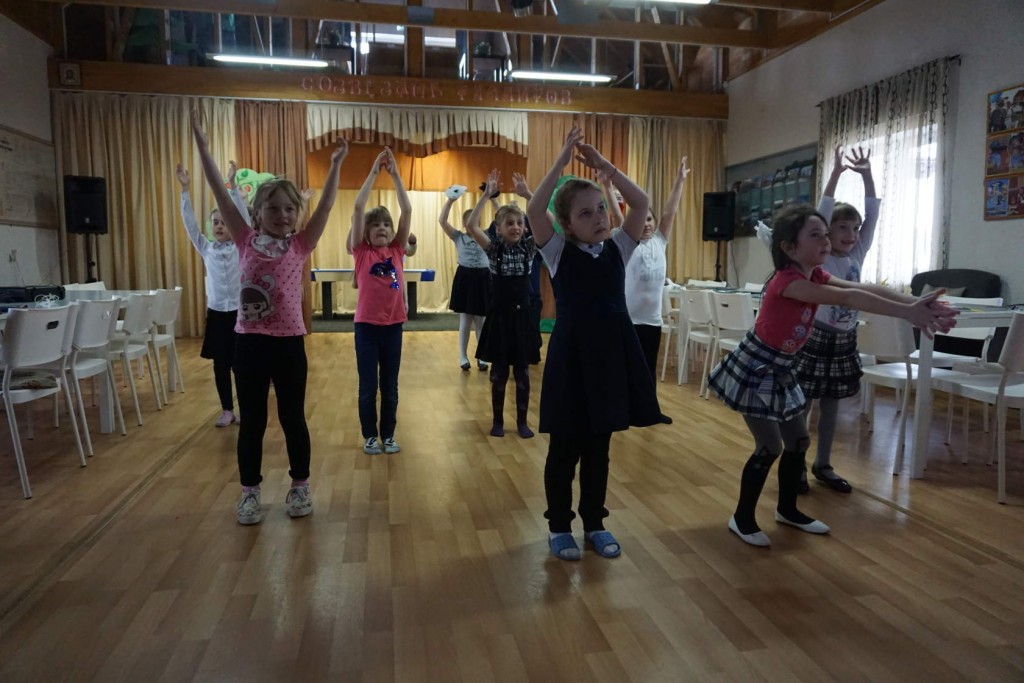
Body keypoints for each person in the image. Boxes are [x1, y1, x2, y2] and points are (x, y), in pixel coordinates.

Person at [709, 204, 957, 547]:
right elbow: (851, 297)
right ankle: (742, 518)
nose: (826, 241)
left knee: (798, 441)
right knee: (769, 446)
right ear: (789, 247)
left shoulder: (815, 275)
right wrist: (907, 313)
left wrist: (914, 302)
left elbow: (865, 288)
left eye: (826, 234)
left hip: (782, 368)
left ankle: (787, 510)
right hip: (757, 367)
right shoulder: (789, 282)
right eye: (816, 235)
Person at [190, 109, 348, 525]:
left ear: (297, 213)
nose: (282, 215)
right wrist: (203, 147)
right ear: (256, 213)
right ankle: (249, 492)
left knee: (293, 418)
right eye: (273, 208)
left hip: (289, 344)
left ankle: (300, 485)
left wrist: (335, 166)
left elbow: (327, 205)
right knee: (253, 422)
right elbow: (218, 190)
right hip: (250, 343)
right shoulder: (244, 240)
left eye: (289, 209)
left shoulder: (301, 244)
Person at [527, 126, 662, 561]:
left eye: (601, 208)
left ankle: (595, 523)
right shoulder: (557, 252)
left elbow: (641, 202)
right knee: (564, 450)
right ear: (567, 225)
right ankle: (559, 526)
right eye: (586, 214)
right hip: (571, 362)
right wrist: (560, 161)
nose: (600, 217)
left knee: (599, 450)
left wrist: (606, 168)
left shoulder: (619, 248)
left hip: (607, 363)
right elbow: (534, 209)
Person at [793, 146, 880, 494]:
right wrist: (835, 175)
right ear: (827, 232)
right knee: (803, 405)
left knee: (832, 407)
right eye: (842, 227)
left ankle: (823, 464)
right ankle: (796, 465)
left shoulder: (858, 252)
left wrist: (867, 175)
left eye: (855, 228)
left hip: (844, 340)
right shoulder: (822, 256)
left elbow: (873, 214)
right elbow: (822, 211)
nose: (851, 234)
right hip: (815, 337)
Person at [610, 156, 689, 424]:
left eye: (649, 219)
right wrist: (607, 188)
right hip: (629, 319)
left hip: (652, 320)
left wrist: (679, 181)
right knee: (626, 368)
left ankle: (650, 411)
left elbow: (670, 213)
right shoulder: (627, 243)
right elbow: (619, 215)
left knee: (648, 368)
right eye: (641, 220)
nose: (645, 224)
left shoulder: (660, 241)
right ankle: (623, 411)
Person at [348, 148, 413, 456]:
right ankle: (370, 436)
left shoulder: (398, 249)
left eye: (386, 225)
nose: (382, 229)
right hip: (366, 328)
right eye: (376, 226)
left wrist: (397, 176)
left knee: (390, 386)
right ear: (366, 232)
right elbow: (358, 207)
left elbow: (407, 210)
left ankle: (388, 435)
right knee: (367, 387)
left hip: (393, 327)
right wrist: (374, 172)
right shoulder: (361, 252)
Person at [466, 171, 540, 439]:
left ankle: (522, 422)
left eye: (519, 223)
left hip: (522, 318)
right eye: (509, 223)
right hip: (500, 318)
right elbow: (472, 227)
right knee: (499, 373)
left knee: (522, 373)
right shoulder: (494, 249)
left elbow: (549, 224)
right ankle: (498, 420)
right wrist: (486, 196)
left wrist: (529, 195)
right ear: (498, 229)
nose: (516, 227)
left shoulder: (529, 248)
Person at [176, 160, 246, 428]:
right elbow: (190, 225)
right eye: (215, 223)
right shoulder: (207, 249)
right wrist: (185, 190)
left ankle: (244, 408)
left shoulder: (240, 246)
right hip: (217, 314)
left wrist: (232, 186)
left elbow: (243, 218)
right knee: (220, 364)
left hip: (239, 313)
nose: (219, 227)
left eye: (224, 223)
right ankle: (227, 409)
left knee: (240, 364)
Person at [438, 195, 490, 371]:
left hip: (483, 278)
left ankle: (482, 356)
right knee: (466, 319)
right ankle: (463, 356)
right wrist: (450, 201)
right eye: (468, 221)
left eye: (475, 220)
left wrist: (493, 199)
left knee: (481, 320)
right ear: (464, 224)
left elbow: (500, 221)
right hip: (465, 278)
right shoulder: (458, 236)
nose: (472, 224)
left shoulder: (487, 236)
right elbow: (442, 220)